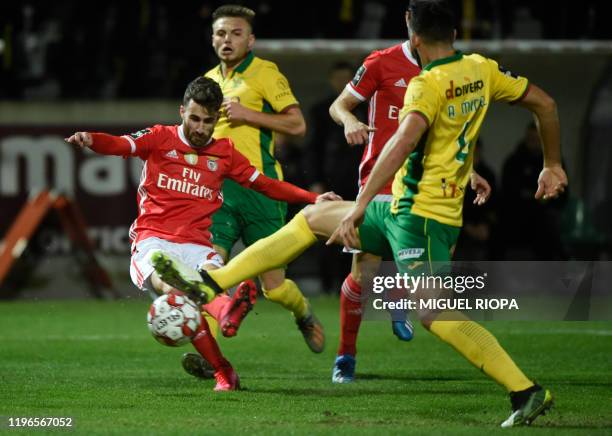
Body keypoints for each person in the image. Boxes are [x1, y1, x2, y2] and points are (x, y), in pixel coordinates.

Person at [153, 0, 567, 425]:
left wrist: (360, 206)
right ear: (456, 35)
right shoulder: (483, 68)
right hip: (407, 207)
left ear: (414, 34)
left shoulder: (425, 84)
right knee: (311, 218)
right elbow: (546, 105)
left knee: (436, 315)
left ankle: (525, 390)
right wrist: (552, 163)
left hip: (417, 218)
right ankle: (210, 285)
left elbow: (401, 144)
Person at [65, 76, 338, 391]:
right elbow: (121, 144)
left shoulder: (224, 152)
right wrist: (91, 139)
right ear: (182, 111)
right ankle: (224, 314)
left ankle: (225, 368)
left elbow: (265, 184)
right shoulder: (159, 137)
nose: (200, 127)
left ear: (216, 119)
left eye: (208, 121)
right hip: (153, 239)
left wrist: (312, 198)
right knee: (173, 283)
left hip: (197, 245)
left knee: (190, 294)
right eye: (194, 118)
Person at [202, 5, 326, 355]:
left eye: (236, 33)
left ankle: (302, 312)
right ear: (213, 39)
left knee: (273, 286)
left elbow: (297, 126)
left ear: (251, 39)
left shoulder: (266, 73)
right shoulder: (208, 81)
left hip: (262, 191)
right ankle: (213, 361)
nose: (228, 40)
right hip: (220, 191)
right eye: (221, 33)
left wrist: (248, 115)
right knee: (211, 268)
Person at [327, 35, 422, 383]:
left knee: (431, 265)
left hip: (425, 182)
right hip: (379, 181)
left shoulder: (449, 70)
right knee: (363, 273)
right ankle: (345, 356)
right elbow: (339, 105)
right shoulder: (381, 62)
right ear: (410, 25)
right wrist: (350, 121)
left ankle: (398, 292)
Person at [306, 61, 364, 294]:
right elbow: (313, 149)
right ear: (331, 80)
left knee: (357, 235)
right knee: (328, 235)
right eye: (338, 78)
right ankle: (328, 286)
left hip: (360, 183)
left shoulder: (368, 108)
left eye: (346, 79)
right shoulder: (322, 111)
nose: (342, 83)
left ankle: (353, 283)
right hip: (331, 183)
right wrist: (315, 181)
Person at [498, 122, 568, 260]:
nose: (534, 143)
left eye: (537, 140)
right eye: (531, 139)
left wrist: (545, 198)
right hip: (517, 215)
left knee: (548, 227)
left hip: (544, 215)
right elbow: (508, 193)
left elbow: (562, 193)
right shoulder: (513, 162)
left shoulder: (554, 163)